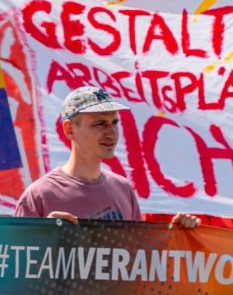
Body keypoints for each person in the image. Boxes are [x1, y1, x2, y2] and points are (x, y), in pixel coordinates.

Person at [15, 87, 199, 228]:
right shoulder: (38, 195)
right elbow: (14, 267)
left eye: (114, 122)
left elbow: (139, 258)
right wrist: (41, 237)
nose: (111, 133)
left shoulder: (122, 188)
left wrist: (175, 236)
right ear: (70, 129)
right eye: (99, 124)